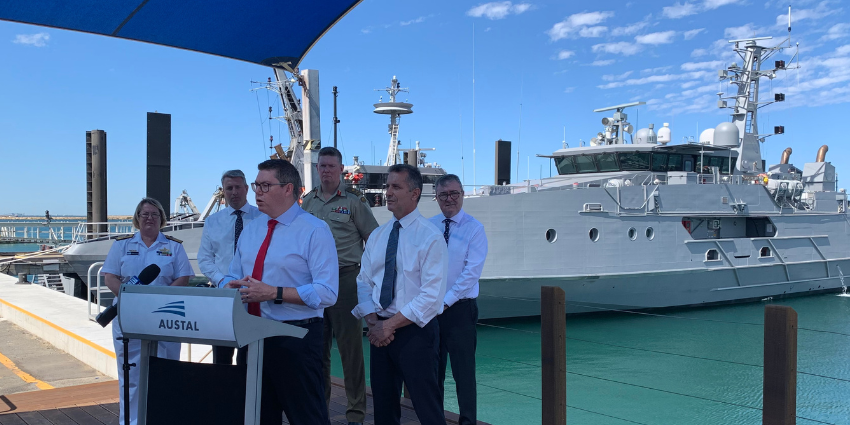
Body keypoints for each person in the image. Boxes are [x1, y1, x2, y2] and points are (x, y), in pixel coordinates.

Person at [223, 159, 338, 425]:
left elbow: (327, 292)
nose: (257, 192)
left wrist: (274, 292)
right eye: (256, 185)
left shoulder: (315, 231)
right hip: (252, 336)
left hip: (295, 339)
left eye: (264, 185)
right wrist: (227, 285)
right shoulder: (251, 231)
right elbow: (232, 274)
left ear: (288, 189)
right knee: (256, 416)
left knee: (307, 416)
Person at [352, 164, 448, 425]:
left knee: (427, 406)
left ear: (415, 193)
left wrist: (388, 326)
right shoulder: (378, 236)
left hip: (415, 333)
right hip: (380, 330)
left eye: (396, 187)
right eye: (387, 186)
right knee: (383, 407)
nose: (388, 192)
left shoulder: (431, 237)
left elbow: (431, 296)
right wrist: (373, 321)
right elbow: (364, 281)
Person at [301, 147, 378, 425]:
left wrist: (367, 280)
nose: (327, 171)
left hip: (346, 281)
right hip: (314, 283)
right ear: (317, 168)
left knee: (351, 352)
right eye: (322, 166)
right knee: (316, 351)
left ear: (341, 169)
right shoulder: (308, 203)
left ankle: (355, 414)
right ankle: (320, 409)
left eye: (332, 166)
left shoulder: (354, 202)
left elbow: (374, 240)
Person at [101, 197, 194, 425]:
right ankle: (130, 422)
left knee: (166, 372)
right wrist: (128, 298)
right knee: (131, 375)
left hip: (164, 316)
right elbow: (110, 276)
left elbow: (183, 277)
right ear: (137, 218)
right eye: (145, 214)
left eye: (155, 214)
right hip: (128, 315)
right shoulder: (122, 245)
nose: (150, 218)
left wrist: (159, 301)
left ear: (161, 219)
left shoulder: (173, 246)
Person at [429, 174, 488, 425]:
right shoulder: (429, 226)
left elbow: (471, 273)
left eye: (454, 193)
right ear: (437, 198)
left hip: (460, 310)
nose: (449, 199)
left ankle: (467, 422)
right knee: (433, 372)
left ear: (462, 194)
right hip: (430, 310)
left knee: (464, 374)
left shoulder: (475, 229)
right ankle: (434, 419)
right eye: (444, 195)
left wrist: (445, 301)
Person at [197, 169, 262, 365]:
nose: (234, 192)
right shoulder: (212, 222)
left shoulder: (263, 219)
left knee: (250, 356)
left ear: (246, 189)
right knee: (221, 356)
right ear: (223, 191)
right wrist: (223, 280)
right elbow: (205, 259)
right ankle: (224, 395)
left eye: (237, 187)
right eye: (229, 188)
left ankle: (247, 395)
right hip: (223, 296)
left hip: (255, 294)